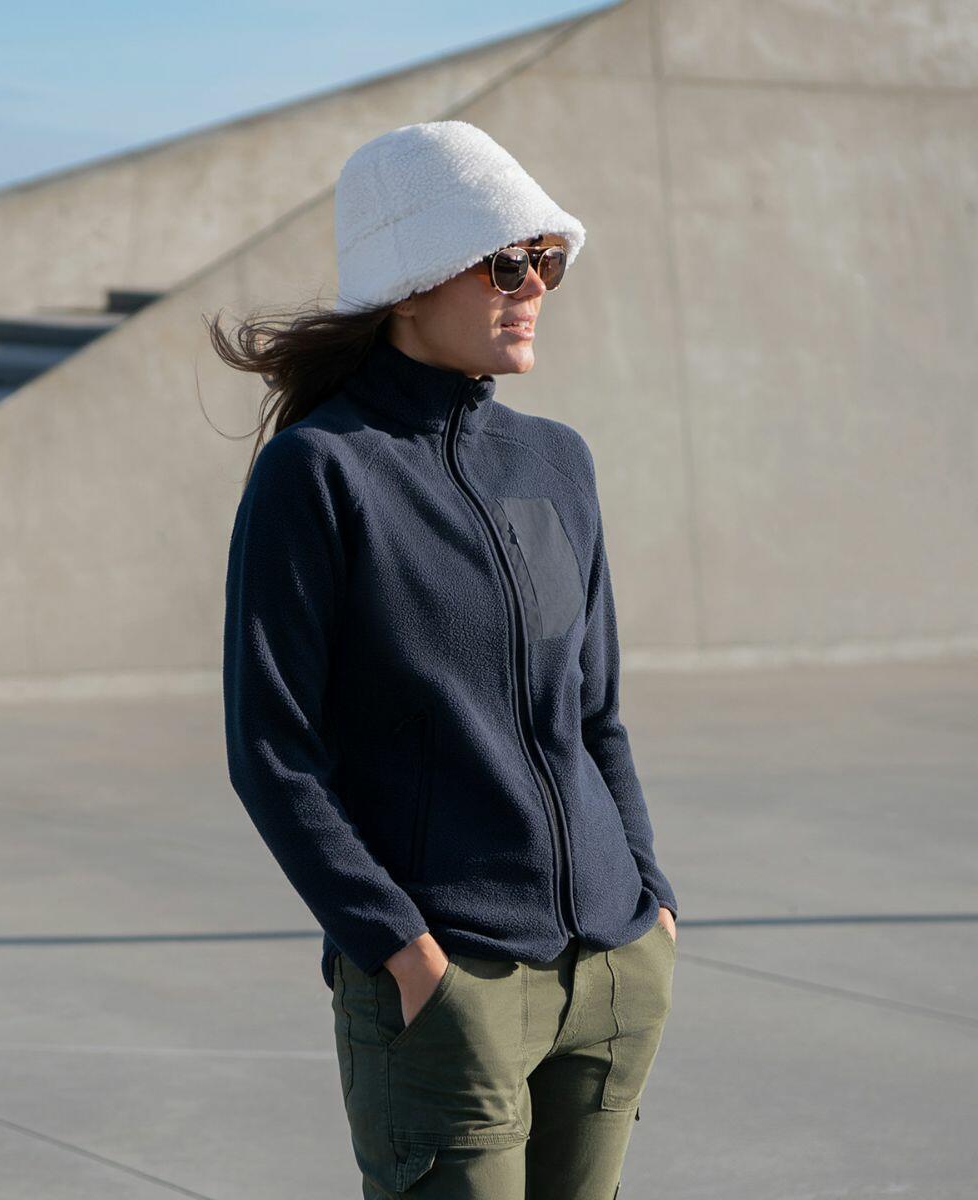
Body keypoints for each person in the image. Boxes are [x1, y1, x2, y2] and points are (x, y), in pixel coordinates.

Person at [217, 120, 678, 1199]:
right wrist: (399, 949)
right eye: (505, 261)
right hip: (448, 982)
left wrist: (647, 901)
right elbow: (272, 752)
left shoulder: (556, 461)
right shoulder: (319, 474)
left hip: (610, 965)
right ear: (408, 281)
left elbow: (594, 712)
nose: (534, 287)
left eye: (546, 262)